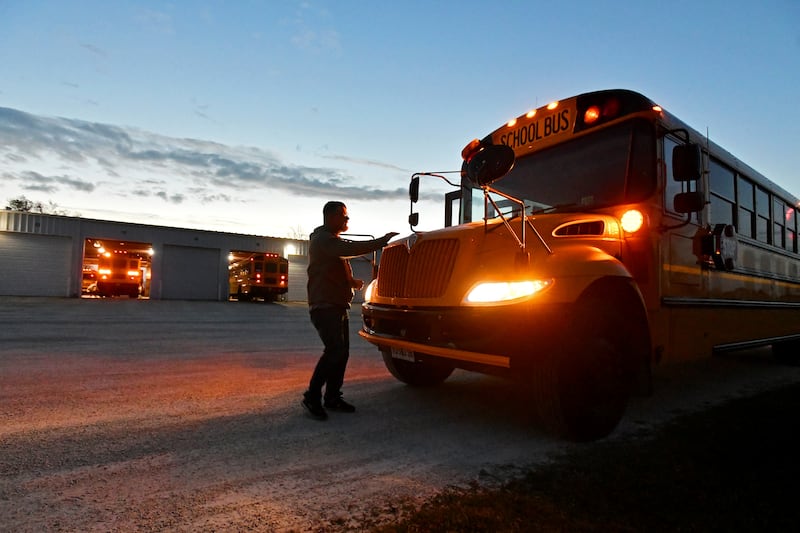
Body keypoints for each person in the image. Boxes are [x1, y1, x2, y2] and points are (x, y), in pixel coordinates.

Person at [302, 201, 398, 420]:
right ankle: (312, 396)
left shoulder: (330, 241)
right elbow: (350, 249)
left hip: (336, 305)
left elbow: (332, 270)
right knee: (334, 351)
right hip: (325, 306)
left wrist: (352, 283)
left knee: (341, 353)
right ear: (331, 217)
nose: (347, 220)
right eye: (343, 216)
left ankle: (332, 397)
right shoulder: (323, 240)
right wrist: (381, 241)